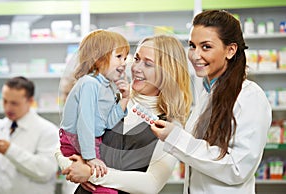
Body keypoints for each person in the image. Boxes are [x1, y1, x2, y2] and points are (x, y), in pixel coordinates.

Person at [151, 10, 272, 194]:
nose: (195, 55)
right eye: (192, 46)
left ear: (230, 50)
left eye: (206, 47)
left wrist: (176, 138)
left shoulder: (249, 96)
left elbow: (237, 168)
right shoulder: (208, 93)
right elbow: (200, 152)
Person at [55, 34, 193, 194]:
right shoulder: (113, 97)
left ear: (168, 73)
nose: (136, 68)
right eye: (136, 59)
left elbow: (151, 183)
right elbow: (63, 145)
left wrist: (90, 173)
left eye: (148, 64)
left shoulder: (171, 125)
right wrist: (73, 167)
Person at [59, 29, 130, 194]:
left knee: (108, 175)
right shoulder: (90, 84)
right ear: (98, 59)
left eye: (125, 58)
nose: (124, 63)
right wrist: (91, 158)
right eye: (118, 57)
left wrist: (124, 99)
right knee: (104, 179)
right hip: (76, 140)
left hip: (92, 139)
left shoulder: (107, 86)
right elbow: (85, 123)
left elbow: (108, 123)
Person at [0, 76, 59, 194]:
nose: (8, 108)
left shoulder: (48, 131)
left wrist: (10, 150)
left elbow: (45, 171)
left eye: (14, 103)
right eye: (5, 101)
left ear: (30, 101)